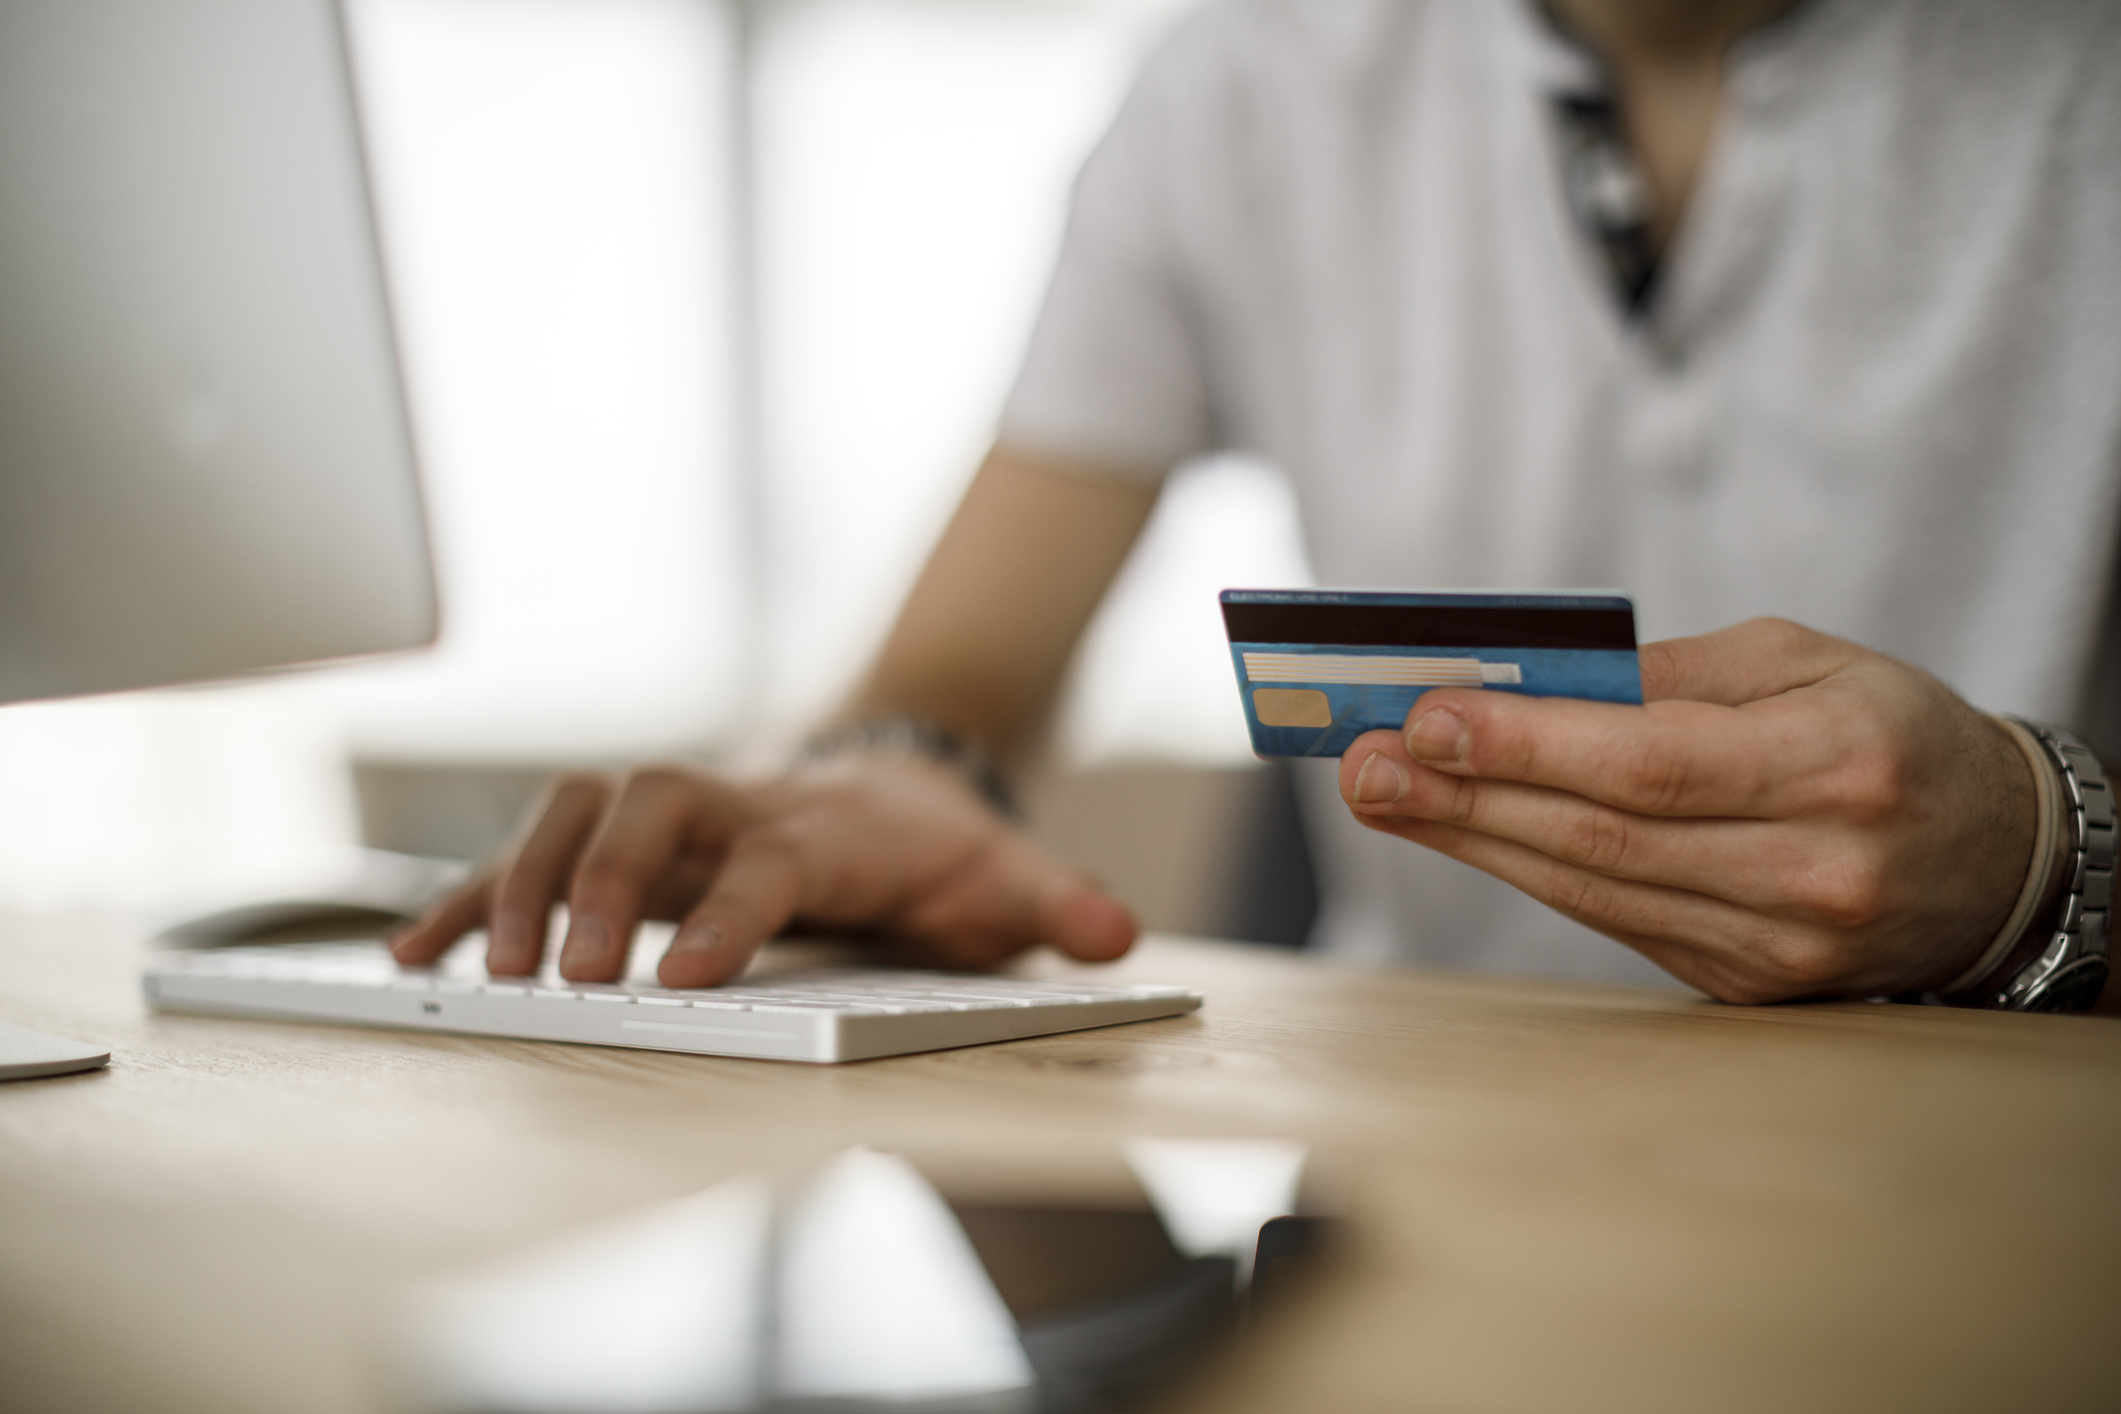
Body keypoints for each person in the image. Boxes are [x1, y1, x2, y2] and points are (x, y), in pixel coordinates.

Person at [393, 0, 2121, 1014]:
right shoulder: (1244, 75)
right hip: (1436, 1147)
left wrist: (2054, 862)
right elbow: (969, 658)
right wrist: (888, 777)